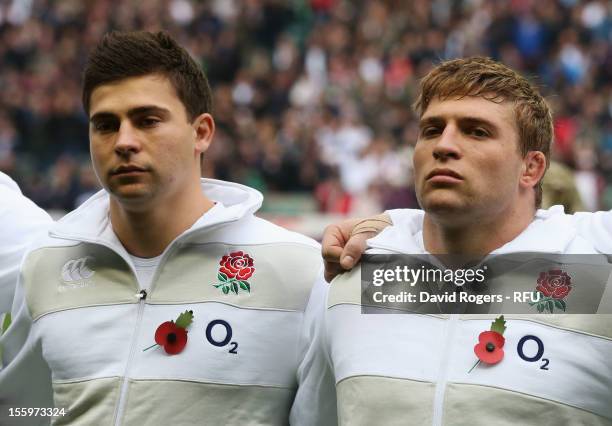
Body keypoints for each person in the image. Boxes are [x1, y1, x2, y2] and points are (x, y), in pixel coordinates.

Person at [0, 31, 327, 425]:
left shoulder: (298, 270)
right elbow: (25, 409)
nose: (124, 141)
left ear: (202, 132)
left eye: (147, 121)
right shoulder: (46, 266)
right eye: (105, 125)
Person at [294, 57, 612, 425]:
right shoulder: (353, 276)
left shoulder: (596, 268)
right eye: (431, 130)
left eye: (476, 131)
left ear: (531, 167)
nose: (444, 145)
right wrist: (396, 227)